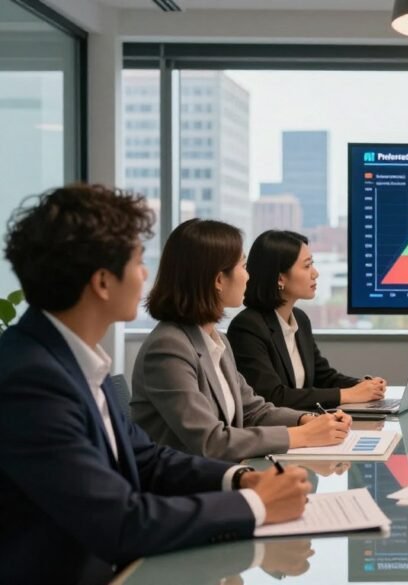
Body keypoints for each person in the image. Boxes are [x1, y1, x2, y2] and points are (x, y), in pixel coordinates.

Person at [0, 185, 310, 585]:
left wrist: (239, 479)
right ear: (102, 282)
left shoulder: (72, 361)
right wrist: (254, 504)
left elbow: (147, 459)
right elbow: (121, 522)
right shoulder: (31, 380)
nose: (146, 274)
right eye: (138, 261)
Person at [131, 219, 351, 462]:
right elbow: (212, 442)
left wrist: (307, 420)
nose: (248, 276)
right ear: (218, 280)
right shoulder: (168, 348)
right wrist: (302, 435)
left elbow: (254, 410)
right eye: (243, 266)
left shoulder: (215, 340)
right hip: (187, 489)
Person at [227, 230, 386, 410]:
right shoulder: (248, 327)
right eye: (307, 266)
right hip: (280, 432)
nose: (315, 273)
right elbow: (272, 396)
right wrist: (348, 395)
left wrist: (364, 386)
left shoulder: (300, 319)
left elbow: (323, 377)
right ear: (280, 278)